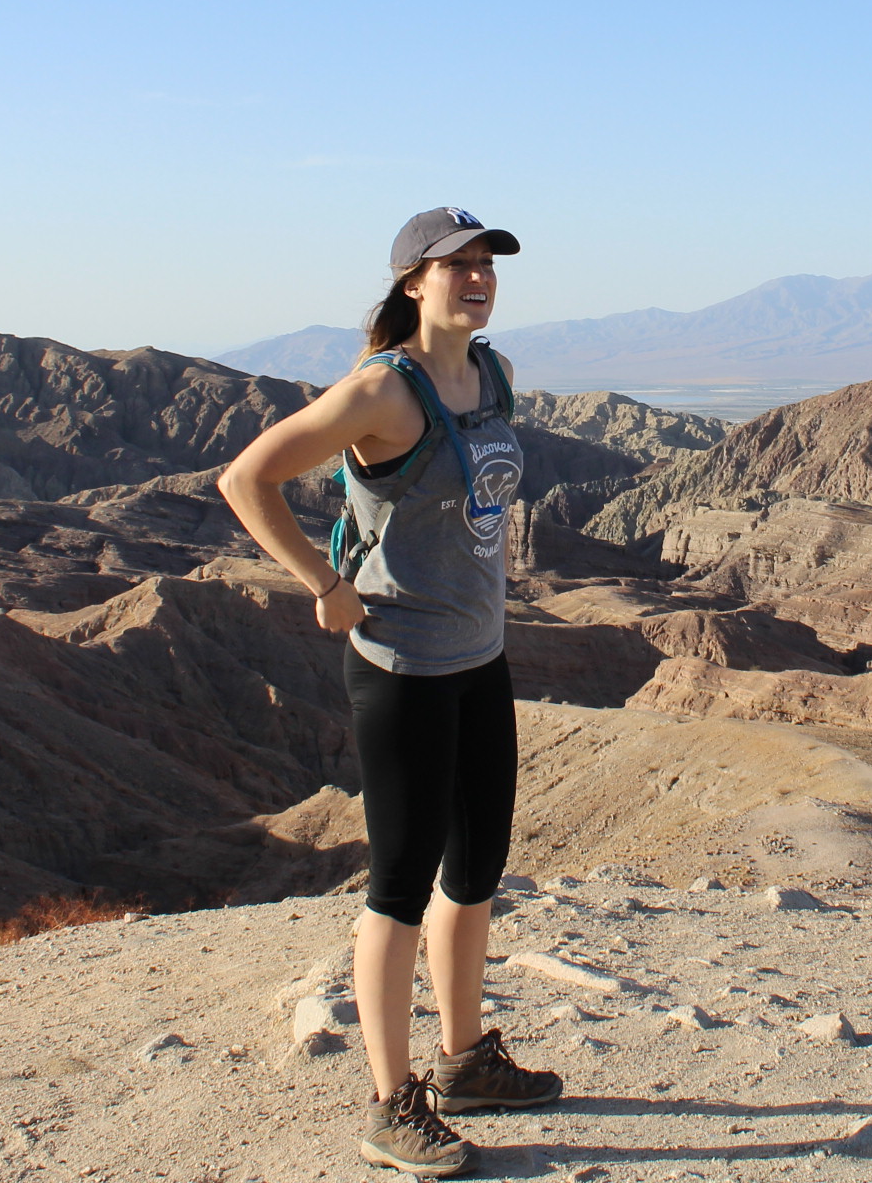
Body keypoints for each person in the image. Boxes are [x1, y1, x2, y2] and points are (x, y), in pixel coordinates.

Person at [216, 207, 561, 1180]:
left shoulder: (490, 376)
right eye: (458, 266)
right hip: (400, 671)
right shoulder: (382, 393)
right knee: (401, 887)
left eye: (488, 263)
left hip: (478, 661)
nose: (479, 277)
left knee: (478, 868)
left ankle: (463, 1062)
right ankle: (389, 1105)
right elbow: (247, 479)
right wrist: (323, 586)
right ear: (413, 282)